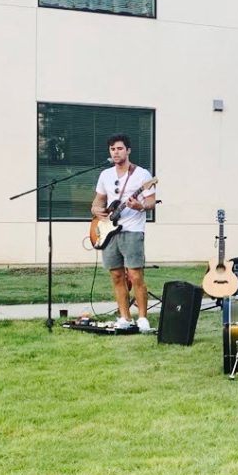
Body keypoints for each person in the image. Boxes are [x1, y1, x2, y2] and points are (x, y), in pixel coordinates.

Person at [90, 134, 157, 332]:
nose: (115, 152)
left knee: (135, 275)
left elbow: (151, 202)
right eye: (112, 149)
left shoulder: (142, 175)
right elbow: (98, 201)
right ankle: (125, 317)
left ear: (128, 150)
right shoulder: (106, 175)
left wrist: (140, 205)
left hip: (132, 230)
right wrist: (96, 210)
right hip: (109, 232)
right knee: (117, 276)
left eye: (119, 148)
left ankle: (143, 318)